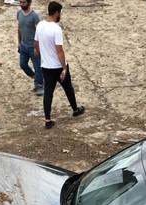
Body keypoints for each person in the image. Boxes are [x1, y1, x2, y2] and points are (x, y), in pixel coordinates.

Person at [33, 1, 85, 130]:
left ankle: (47, 119)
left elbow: (35, 43)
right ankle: (75, 109)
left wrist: (41, 53)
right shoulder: (56, 29)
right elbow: (59, 50)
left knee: (48, 92)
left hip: (45, 66)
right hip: (57, 66)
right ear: (57, 13)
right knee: (68, 88)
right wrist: (64, 67)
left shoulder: (40, 25)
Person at [18, 0, 43, 96]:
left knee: (37, 67)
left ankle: (40, 85)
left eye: (24, 2)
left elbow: (39, 32)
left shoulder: (35, 16)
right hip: (23, 45)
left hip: (33, 46)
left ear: (29, 3)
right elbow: (19, 28)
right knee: (23, 64)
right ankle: (36, 77)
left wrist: (37, 47)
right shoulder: (19, 13)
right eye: (21, 2)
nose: (22, 4)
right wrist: (19, 42)